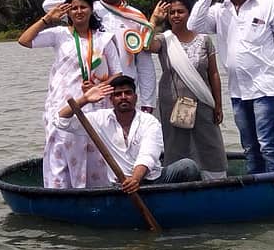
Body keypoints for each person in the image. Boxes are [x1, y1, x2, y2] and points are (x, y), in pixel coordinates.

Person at [187, 0, 274, 174]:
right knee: (249, 147)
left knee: (268, 145)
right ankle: (256, 190)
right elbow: (193, 25)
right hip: (238, 90)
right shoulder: (219, 11)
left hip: (266, 87)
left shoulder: (268, 6)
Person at [18, 0, 123, 188]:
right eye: (73, 8)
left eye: (83, 7)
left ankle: (98, 192)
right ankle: (59, 193)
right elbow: (24, 40)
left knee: (96, 153)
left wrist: (98, 87)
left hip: (96, 105)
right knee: (60, 149)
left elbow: (117, 74)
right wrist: (47, 19)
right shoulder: (59, 35)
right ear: (68, 12)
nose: (78, 11)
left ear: (91, 10)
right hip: (62, 105)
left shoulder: (105, 39)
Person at [44, 0, 162, 113]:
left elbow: (145, 63)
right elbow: (49, 6)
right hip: (91, 92)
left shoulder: (136, 17)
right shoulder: (87, 10)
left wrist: (148, 101)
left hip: (124, 94)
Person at [56, 75, 200, 190]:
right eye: (118, 94)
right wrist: (84, 99)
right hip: (121, 184)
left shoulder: (149, 121)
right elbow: (61, 121)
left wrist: (135, 179)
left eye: (128, 93)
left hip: (153, 180)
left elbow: (148, 155)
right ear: (111, 99)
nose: (123, 97)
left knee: (188, 166)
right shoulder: (100, 119)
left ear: (135, 97)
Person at [150, 0, 227, 180]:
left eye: (180, 11)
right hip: (172, 102)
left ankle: (215, 179)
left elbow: (214, 74)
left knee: (210, 141)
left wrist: (218, 104)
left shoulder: (204, 40)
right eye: (172, 12)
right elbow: (145, 46)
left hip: (202, 100)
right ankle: (178, 179)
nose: (176, 15)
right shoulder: (164, 39)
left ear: (189, 13)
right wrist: (153, 21)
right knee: (176, 143)